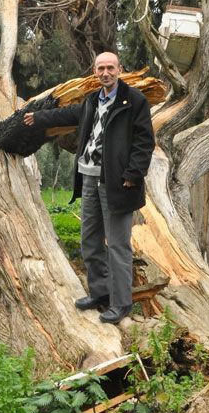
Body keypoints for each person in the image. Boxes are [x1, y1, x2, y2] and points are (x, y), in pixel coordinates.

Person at [23, 52, 155, 324]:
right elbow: (67, 114)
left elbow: (145, 142)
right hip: (88, 178)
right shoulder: (92, 100)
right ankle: (100, 293)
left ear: (119, 69)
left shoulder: (135, 101)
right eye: (100, 68)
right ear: (95, 72)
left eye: (110, 68)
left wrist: (133, 174)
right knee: (90, 241)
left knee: (117, 245)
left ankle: (121, 303)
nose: (105, 73)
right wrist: (39, 117)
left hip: (117, 183)